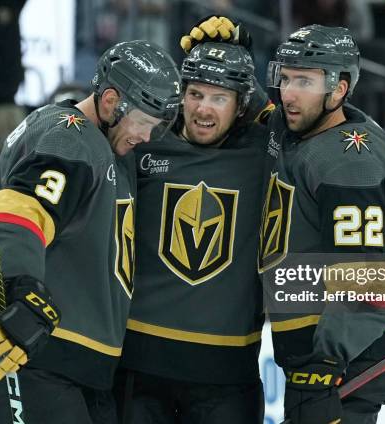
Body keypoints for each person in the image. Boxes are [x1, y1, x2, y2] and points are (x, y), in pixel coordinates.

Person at [183, 21, 385, 424]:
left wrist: (329, 357)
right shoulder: (293, 126)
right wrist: (228, 53)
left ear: (340, 89)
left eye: (305, 81)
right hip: (317, 345)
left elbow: (364, 277)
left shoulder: (349, 160)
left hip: (354, 347)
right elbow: (253, 110)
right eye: (286, 77)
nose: (289, 93)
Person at [0, 40, 182, 424]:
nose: (146, 136)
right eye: (144, 122)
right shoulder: (71, 135)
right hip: (27, 350)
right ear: (110, 102)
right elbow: (19, 212)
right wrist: (19, 288)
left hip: (66, 362)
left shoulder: (104, 149)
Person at [114, 41, 271, 424]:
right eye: (196, 93)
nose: (203, 108)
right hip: (139, 366)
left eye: (220, 98)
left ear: (242, 105)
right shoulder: (144, 141)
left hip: (227, 376)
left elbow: (331, 139)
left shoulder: (266, 151)